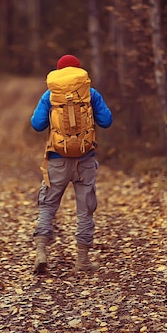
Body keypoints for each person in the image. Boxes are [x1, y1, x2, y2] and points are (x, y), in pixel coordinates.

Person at [30, 54, 113, 273]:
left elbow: (37, 124)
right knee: (85, 209)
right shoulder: (90, 93)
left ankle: (41, 252)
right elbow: (107, 121)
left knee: (48, 205)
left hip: (57, 159)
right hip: (85, 159)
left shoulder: (50, 95)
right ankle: (83, 261)